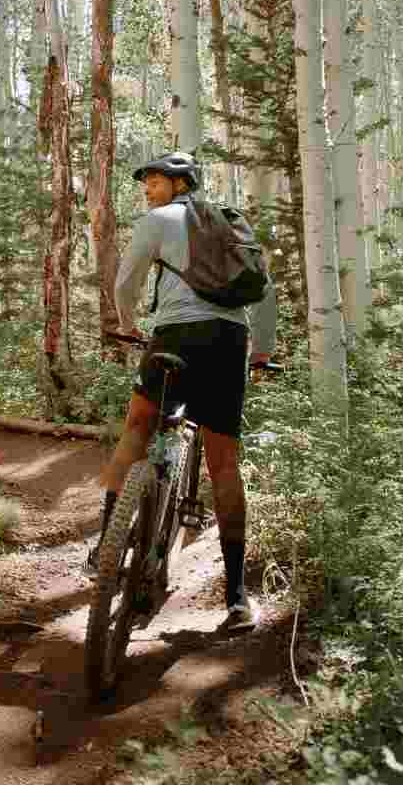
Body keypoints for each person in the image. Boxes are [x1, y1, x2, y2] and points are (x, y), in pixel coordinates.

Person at [87, 151, 272, 630]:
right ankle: (237, 599)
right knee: (224, 463)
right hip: (228, 342)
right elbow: (261, 288)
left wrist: (127, 325)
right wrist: (261, 351)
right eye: (147, 181)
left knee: (137, 428)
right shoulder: (232, 223)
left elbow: (126, 282)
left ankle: (107, 544)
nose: (148, 188)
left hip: (175, 338)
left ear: (179, 183)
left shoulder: (157, 221)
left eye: (155, 180)